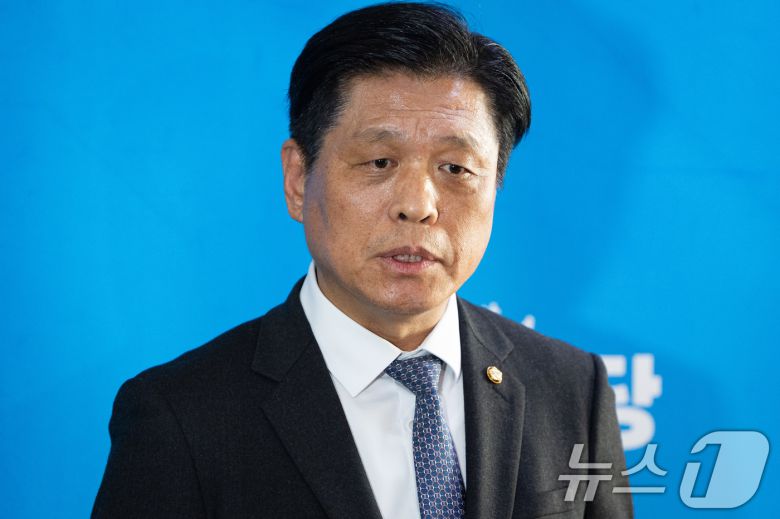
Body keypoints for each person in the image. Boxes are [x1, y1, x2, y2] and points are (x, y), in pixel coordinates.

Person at [92, 2, 633, 518]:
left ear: (495, 185)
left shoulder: (572, 388)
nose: (418, 205)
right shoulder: (181, 417)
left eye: (455, 168)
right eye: (379, 161)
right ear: (298, 179)